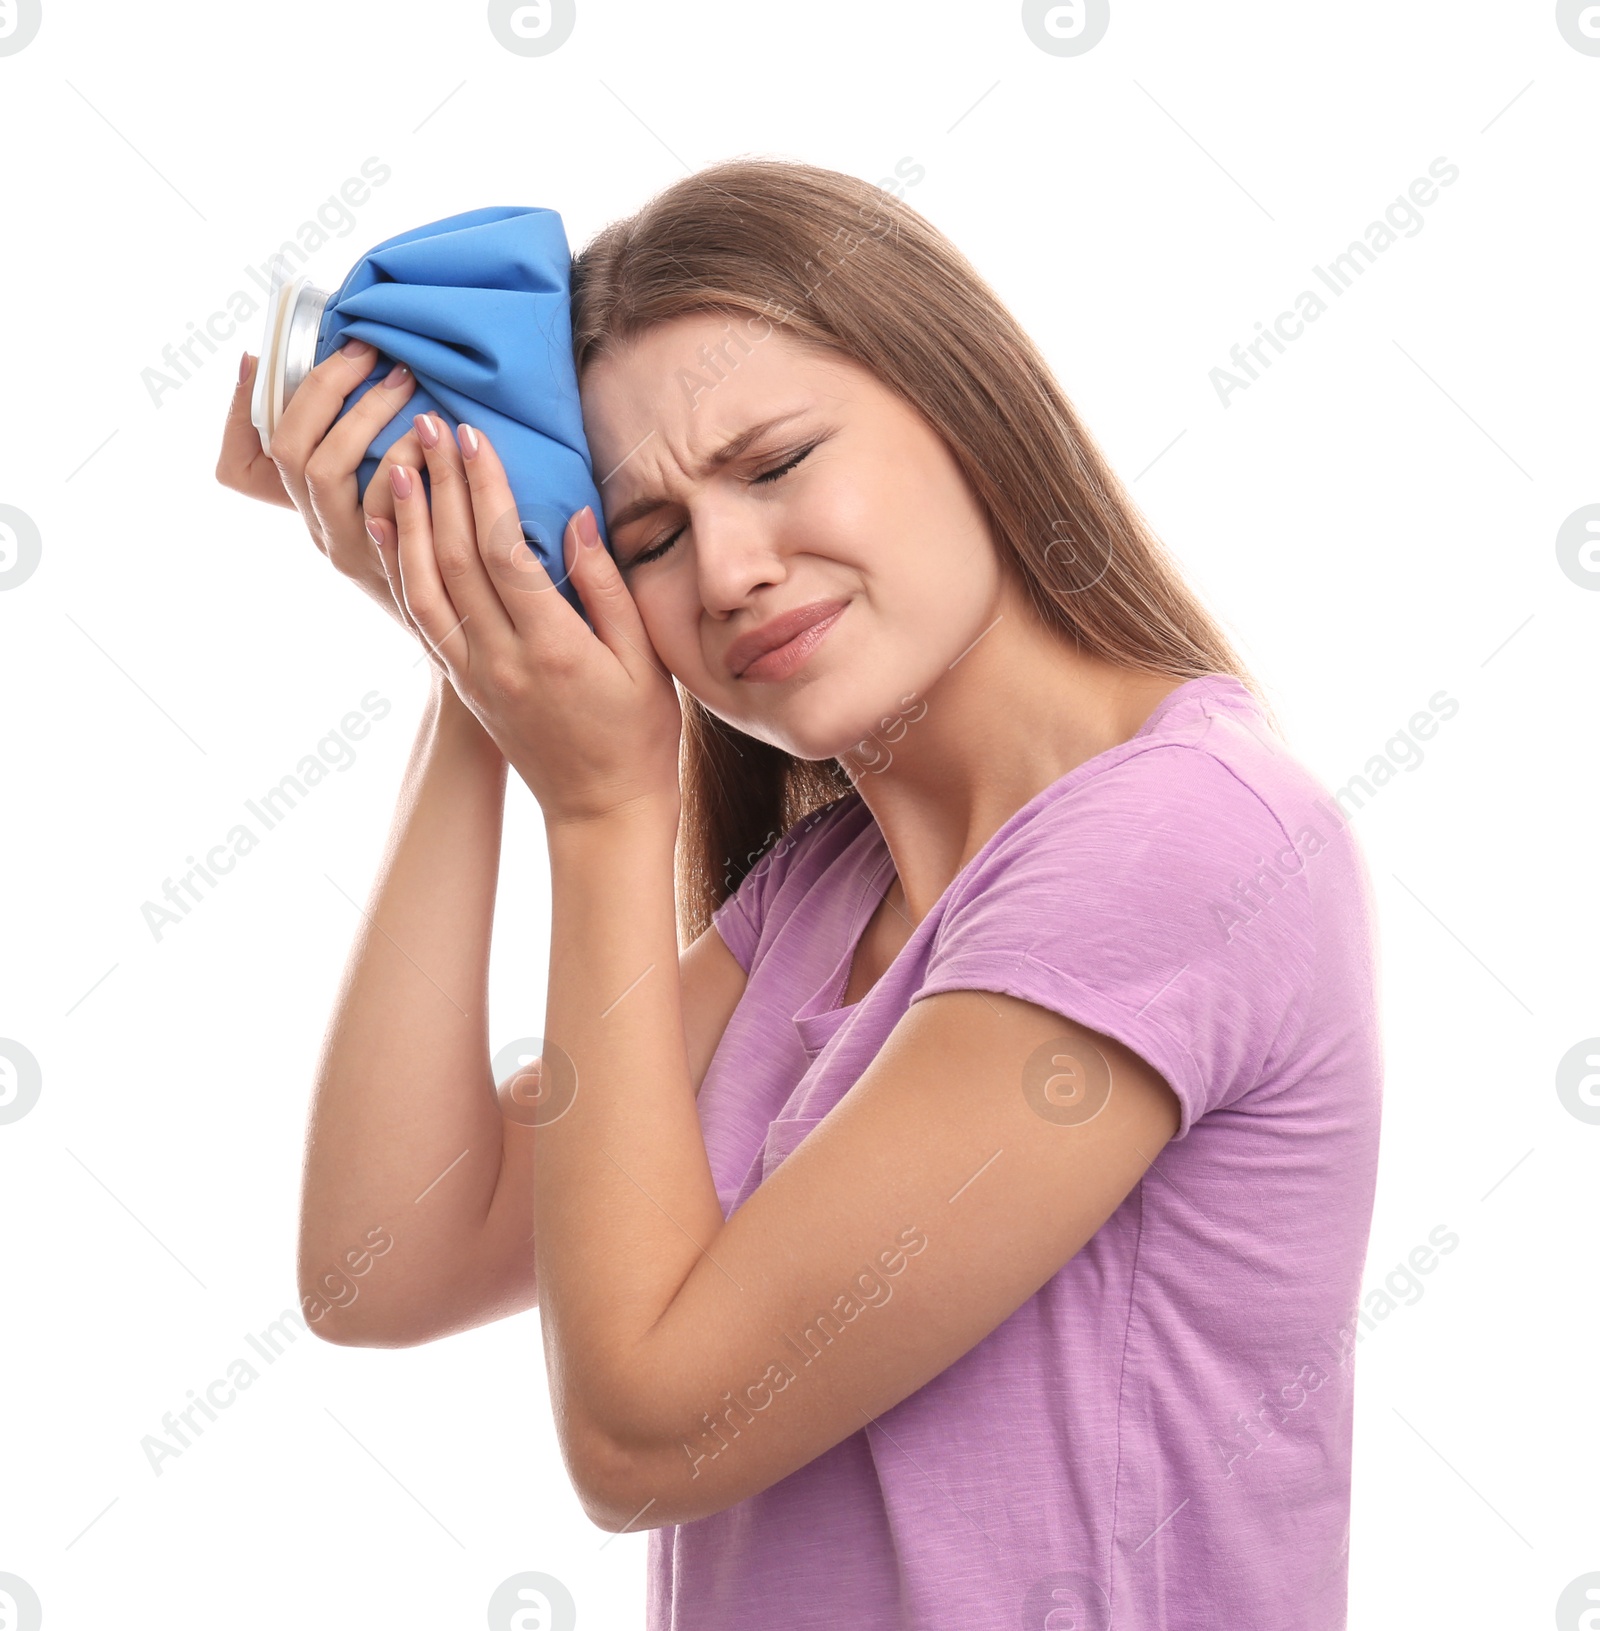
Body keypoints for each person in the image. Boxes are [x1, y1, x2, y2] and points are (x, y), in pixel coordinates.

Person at [216, 157, 1382, 1631]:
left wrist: (605, 804)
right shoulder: (824, 897)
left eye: (773, 463)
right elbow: (384, 1262)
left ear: (963, 401)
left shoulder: (1178, 845)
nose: (732, 569)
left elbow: (646, 1435)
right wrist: (474, 649)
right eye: (646, 539)